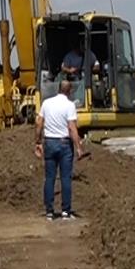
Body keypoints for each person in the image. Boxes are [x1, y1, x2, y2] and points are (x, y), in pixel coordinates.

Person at [36, 79, 83, 220]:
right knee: (65, 178)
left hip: (49, 142)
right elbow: (72, 128)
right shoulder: (69, 106)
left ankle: (49, 212)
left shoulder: (46, 103)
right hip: (64, 144)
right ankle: (65, 212)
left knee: (49, 178)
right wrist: (79, 147)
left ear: (58, 89)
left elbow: (38, 124)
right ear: (69, 91)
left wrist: (38, 142)